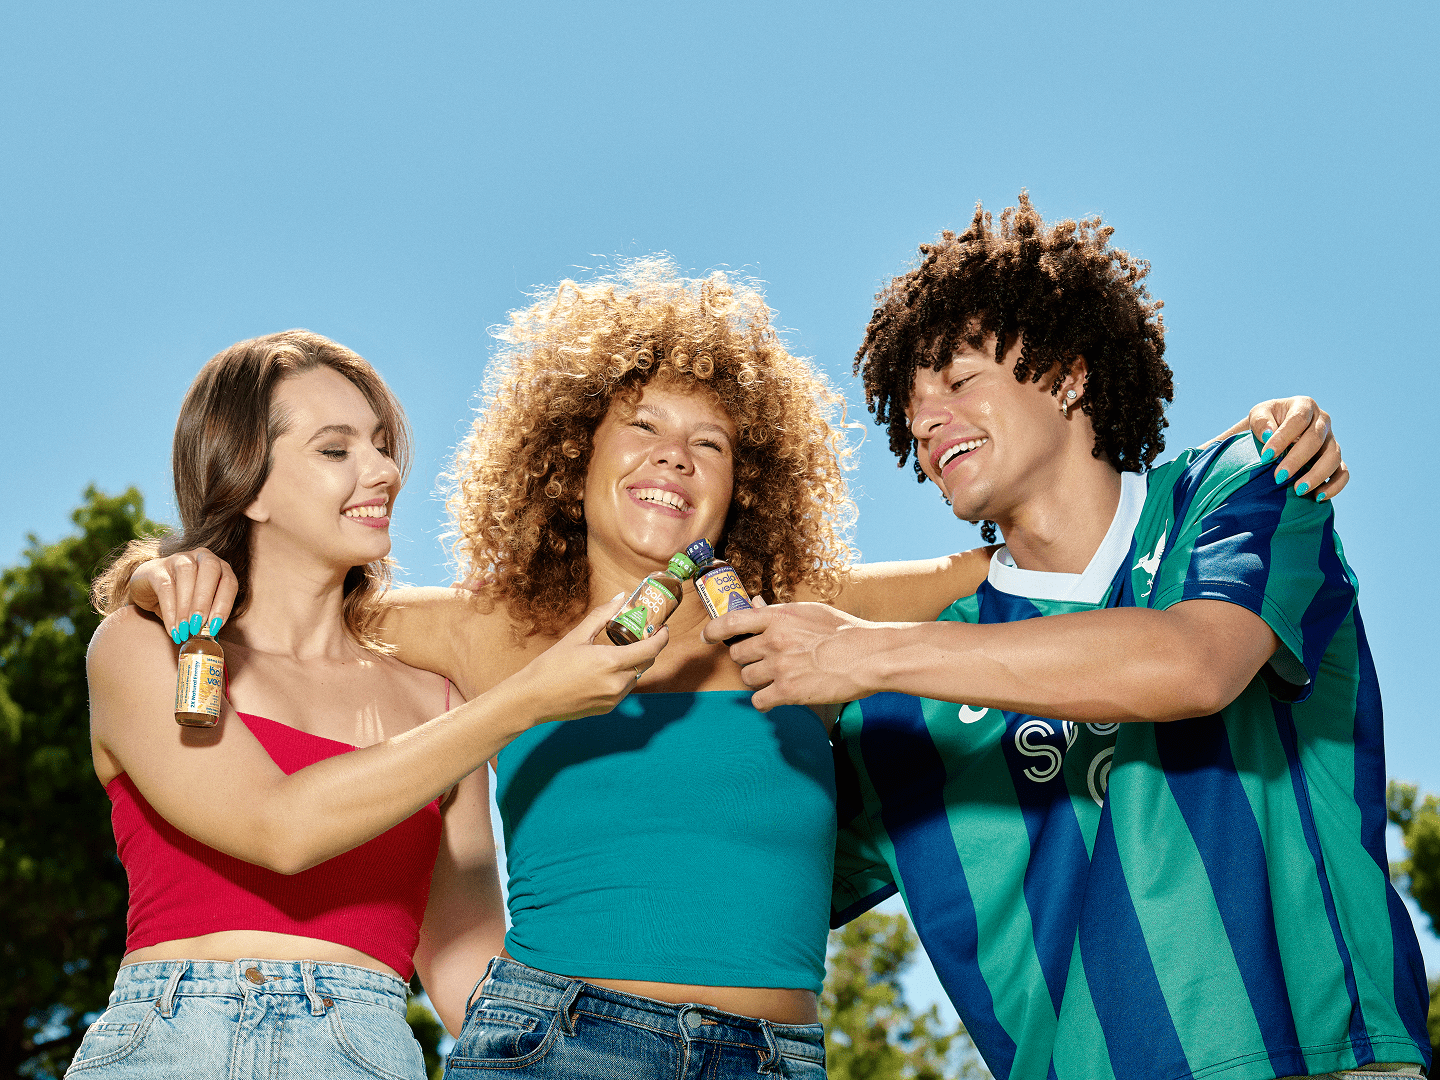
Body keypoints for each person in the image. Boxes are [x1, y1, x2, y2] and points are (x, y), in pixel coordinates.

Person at [121, 261, 1342, 1079]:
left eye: (709, 442)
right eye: (643, 428)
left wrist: (1256, 442)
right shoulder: (486, 627)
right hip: (563, 1044)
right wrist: (157, 578)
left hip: (780, 1056)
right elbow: (279, 595)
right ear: (569, 454)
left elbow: (1056, 540)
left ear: (742, 485)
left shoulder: (812, 616)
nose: (676, 457)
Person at [706, 196, 1430, 1080]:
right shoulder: (896, 698)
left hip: (1321, 1059)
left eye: (958, 380)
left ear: (1068, 376)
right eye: (911, 406)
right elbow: (744, 894)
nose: (926, 420)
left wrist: (861, 651)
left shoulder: (1244, 485)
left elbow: (1195, 663)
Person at [70, 331, 664, 1079]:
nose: (383, 470)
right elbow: (278, 827)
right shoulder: (149, 646)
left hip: (368, 1050)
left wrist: (644, 1037)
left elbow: (465, 966)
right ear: (247, 485)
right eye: (335, 449)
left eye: (382, 445)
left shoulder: (435, 702)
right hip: (174, 1042)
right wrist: (526, 699)